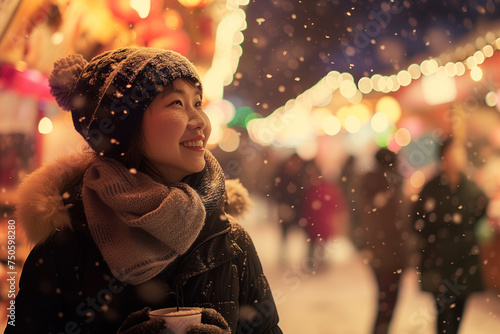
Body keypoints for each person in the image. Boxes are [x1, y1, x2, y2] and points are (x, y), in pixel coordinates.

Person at [7, 47, 282, 333]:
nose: (200, 121)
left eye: (198, 103)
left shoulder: (228, 239)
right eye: (177, 103)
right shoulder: (67, 244)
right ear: (126, 128)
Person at [412, 138, 488, 334]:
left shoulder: (471, 186)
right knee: (444, 315)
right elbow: (417, 221)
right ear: (443, 157)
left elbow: (482, 210)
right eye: (453, 154)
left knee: (459, 312)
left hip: (464, 259)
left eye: (460, 154)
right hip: (439, 261)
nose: (457, 159)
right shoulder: (431, 188)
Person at [357, 148, 413, 334]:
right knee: (388, 301)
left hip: (383, 252)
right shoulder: (389, 184)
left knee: (385, 300)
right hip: (389, 253)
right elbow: (398, 221)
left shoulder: (372, 182)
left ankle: (381, 330)